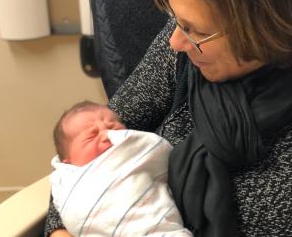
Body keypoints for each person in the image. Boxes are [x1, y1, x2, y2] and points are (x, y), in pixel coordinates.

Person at [46, 0, 292, 236]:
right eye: (175, 20)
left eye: (196, 31)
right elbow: (79, 156)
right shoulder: (184, 51)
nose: (175, 41)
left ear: (270, 23)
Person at [49, 101, 192, 237]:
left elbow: (155, 150)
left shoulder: (132, 153)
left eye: (113, 127)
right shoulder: (65, 178)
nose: (107, 135)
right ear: (67, 161)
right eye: (91, 136)